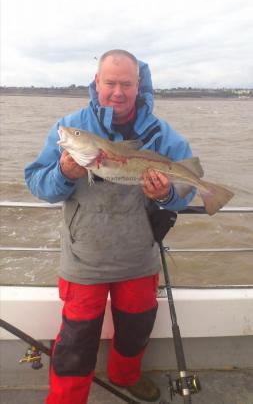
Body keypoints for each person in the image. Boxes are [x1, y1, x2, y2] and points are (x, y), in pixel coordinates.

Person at [25, 49, 196, 404]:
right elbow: (38, 184)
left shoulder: (160, 134)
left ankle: (125, 376)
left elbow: (187, 189)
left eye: (127, 84)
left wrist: (166, 194)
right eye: (110, 83)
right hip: (83, 257)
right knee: (76, 341)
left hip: (138, 255)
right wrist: (63, 173)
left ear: (139, 86)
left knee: (136, 329)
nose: (118, 92)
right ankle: (66, 400)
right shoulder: (71, 126)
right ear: (96, 83)